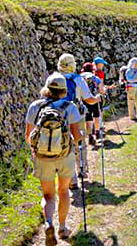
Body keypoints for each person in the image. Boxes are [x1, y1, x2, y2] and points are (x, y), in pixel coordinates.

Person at [25, 73, 82, 245]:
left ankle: (49, 223)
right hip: (65, 156)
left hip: (42, 157)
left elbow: (29, 136)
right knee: (63, 191)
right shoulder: (70, 107)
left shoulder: (35, 107)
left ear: (47, 88)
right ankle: (62, 228)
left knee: (48, 195)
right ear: (64, 90)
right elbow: (77, 136)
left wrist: (36, 150)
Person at [57, 54, 101, 188]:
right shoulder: (78, 79)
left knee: (65, 145)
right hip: (76, 114)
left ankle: (71, 179)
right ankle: (82, 169)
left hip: (58, 116)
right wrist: (98, 98)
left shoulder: (54, 79)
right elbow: (88, 99)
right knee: (79, 142)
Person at [80, 64, 107, 146]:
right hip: (95, 99)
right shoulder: (95, 78)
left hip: (85, 100)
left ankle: (90, 136)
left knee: (88, 118)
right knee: (96, 116)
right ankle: (97, 132)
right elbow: (101, 90)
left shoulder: (80, 78)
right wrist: (104, 91)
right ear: (92, 69)